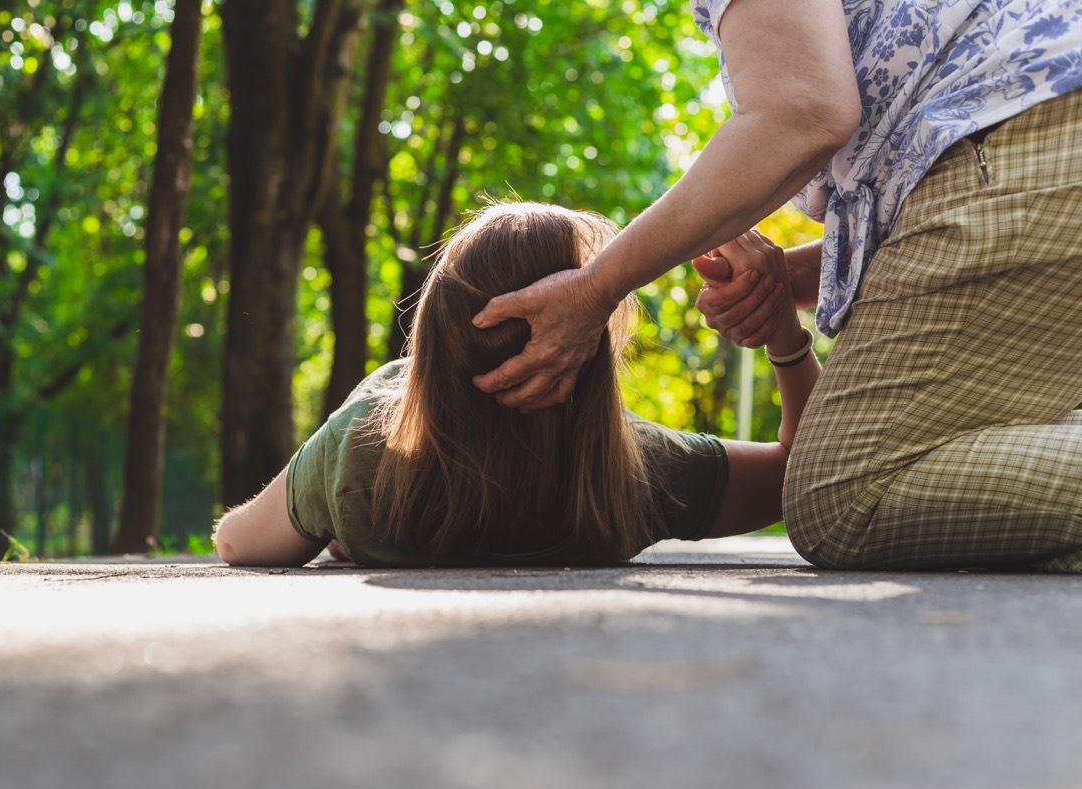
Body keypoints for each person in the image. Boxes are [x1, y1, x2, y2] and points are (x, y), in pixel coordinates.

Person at [469, 1, 1082, 572]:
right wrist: (785, 287)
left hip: (1027, 127)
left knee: (842, 499)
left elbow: (803, 111)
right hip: (1041, 122)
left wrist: (597, 288)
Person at [213, 203, 819, 567]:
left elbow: (237, 544)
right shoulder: (635, 473)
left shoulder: (362, 453)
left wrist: (336, 504)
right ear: (588, 352)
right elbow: (804, 475)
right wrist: (786, 340)